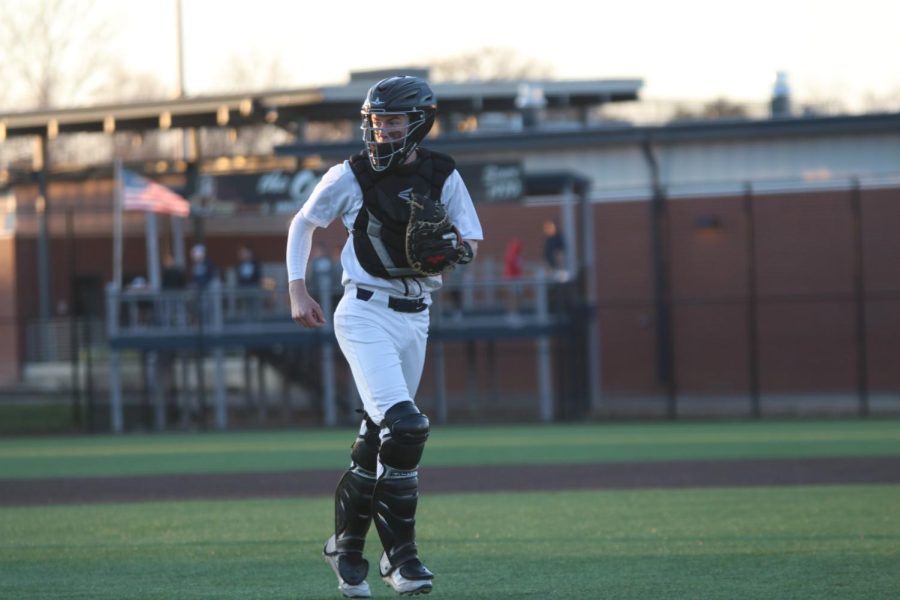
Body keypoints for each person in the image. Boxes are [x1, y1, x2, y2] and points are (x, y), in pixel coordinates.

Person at [286, 75, 483, 598]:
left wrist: (455, 250)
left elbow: (471, 241)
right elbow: (302, 224)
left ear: (418, 122)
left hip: (416, 314)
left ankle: (346, 549)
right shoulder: (349, 175)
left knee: (380, 440)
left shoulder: (442, 173)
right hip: (364, 310)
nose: (381, 128)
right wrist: (297, 290)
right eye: (376, 120)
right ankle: (403, 560)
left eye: (392, 120)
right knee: (406, 427)